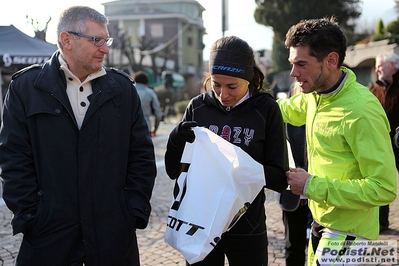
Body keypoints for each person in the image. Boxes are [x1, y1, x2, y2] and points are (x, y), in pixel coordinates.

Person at [0, 6, 156, 266]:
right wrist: (31, 217)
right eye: (97, 40)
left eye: (106, 40)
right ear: (66, 40)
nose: (105, 48)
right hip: (48, 237)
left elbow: (141, 155)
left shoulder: (123, 90)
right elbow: (13, 158)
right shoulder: (25, 89)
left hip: (113, 237)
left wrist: (131, 212)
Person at [277, 17, 397, 265]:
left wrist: (310, 186)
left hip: (349, 229)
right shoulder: (315, 95)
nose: (293, 73)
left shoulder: (362, 110)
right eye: (292, 63)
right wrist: (243, 99)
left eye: (301, 64)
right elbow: (285, 110)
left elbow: (383, 188)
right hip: (321, 219)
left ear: (331, 61)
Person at [164, 35, 288, 266]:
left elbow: (279, 178)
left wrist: (240, 170)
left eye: (232, 86)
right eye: (216, 84)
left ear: (249, 79)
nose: (223, 94)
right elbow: (174, 171)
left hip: (248, 229)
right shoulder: (198, 107)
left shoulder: (266, 109)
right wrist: (175, 138)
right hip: (200, 226)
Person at [277, 83, 312, 266]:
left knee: (320, 245)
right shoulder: (284, 121)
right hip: (292, 193)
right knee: (293, 246)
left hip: (320, 192)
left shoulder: (321, 119)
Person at [370, 53, 399, 232]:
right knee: (380, 182)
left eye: (381, 65)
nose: (377, 69)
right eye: (376, 66)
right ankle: (381, 222)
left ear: (394, 66)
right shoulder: (375, 90)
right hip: (381, 144)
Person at [133, 70, 163, 137]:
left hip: (129, 128)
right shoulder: (150, 93)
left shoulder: (129, 91)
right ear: (146, 81)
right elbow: (158, 114)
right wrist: (155, 129)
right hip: (146, 127)